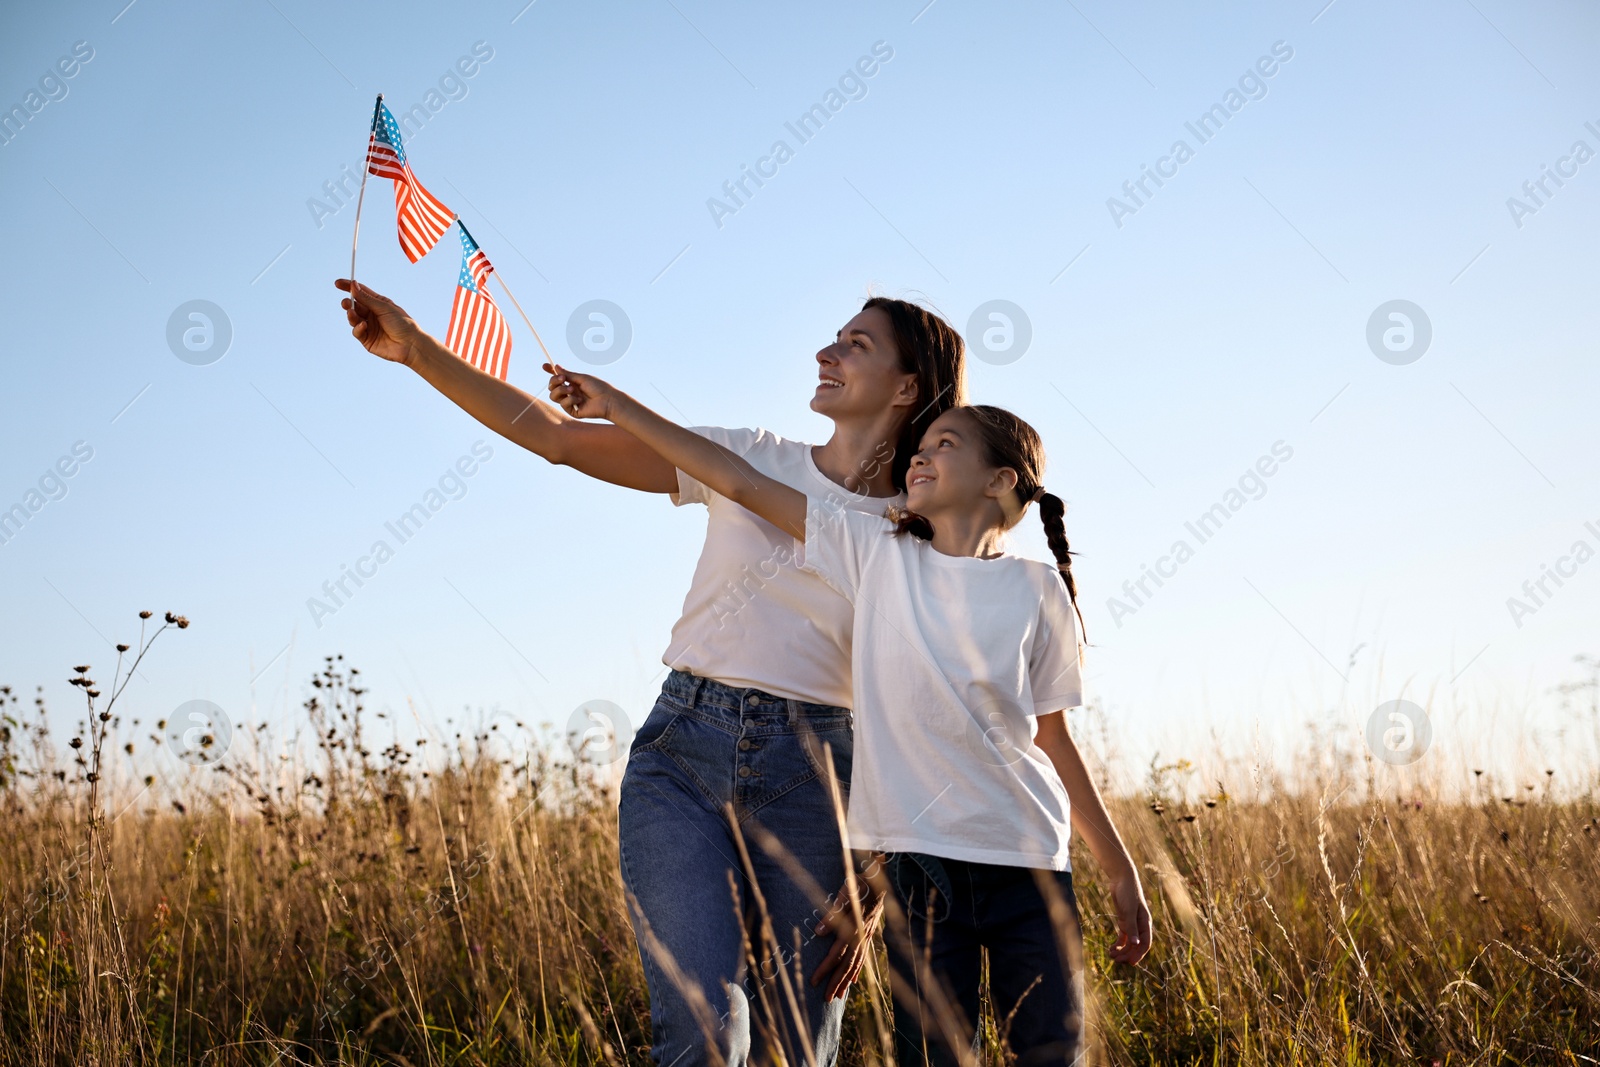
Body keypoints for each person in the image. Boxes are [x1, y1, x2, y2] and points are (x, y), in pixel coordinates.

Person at [334, 278, 967, 1066]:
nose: (825, 351)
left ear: (908, 387)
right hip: (684, 753)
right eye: (834, 337)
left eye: (855, 345)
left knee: (799, 1047)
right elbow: (562, 439)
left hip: (819, 781)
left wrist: (877, 869)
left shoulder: (922, 534)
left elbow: (926, 710)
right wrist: (419, 351)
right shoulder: (745, 454)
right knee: (706, 1036)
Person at [547, 367, 1154, 1067]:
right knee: (934, 1054)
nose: (920, 455)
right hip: (922, 871)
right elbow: (738, 479)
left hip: (1030, 861)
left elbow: (1053, 738)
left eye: (945, 443)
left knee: (1052, 1050)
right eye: (920, 444)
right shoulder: (876, 554)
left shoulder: (1038, 588)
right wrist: (617, 406)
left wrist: (1119, 868)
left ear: (1001, 482)